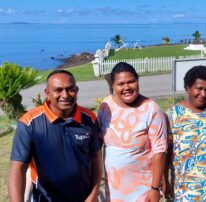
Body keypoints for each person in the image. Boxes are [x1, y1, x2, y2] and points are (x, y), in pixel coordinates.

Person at [8, 70, 103, 202]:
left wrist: (93, 195)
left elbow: (96, 158)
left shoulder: (89, 118)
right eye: (58, 90)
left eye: (70, 89)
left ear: (77, 90)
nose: (65, 95)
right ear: (47, 93)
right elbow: (17, 168)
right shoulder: (30, 123)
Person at [97, 62, 167, 201]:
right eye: (121, 83)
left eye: (131, 82)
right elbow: (98, 141)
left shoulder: (151, 109)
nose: (127, 87)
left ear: (137, 81)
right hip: (114, 188)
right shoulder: (106, 106)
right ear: (113, 85)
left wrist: (155, 188)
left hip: (142, 189)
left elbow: (159, 151)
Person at [166, 65, 206, 201]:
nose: (203, 93)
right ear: (187, 87)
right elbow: (166, 151)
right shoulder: (174, 115)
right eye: (199, 88)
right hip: (186, 189)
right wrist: (165, 180)